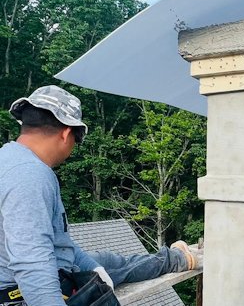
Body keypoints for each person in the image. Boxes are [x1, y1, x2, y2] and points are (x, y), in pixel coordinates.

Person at [0, 86, 203, 306]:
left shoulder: (10, 159)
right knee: (121, 267)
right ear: (67, 133)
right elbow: (33, 263)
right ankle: (179, 259)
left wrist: (92, 267)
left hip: (56, 269)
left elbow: (57, 242)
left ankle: (176, 258)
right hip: (27, 292)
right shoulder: (30, 175)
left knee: (109, 261)